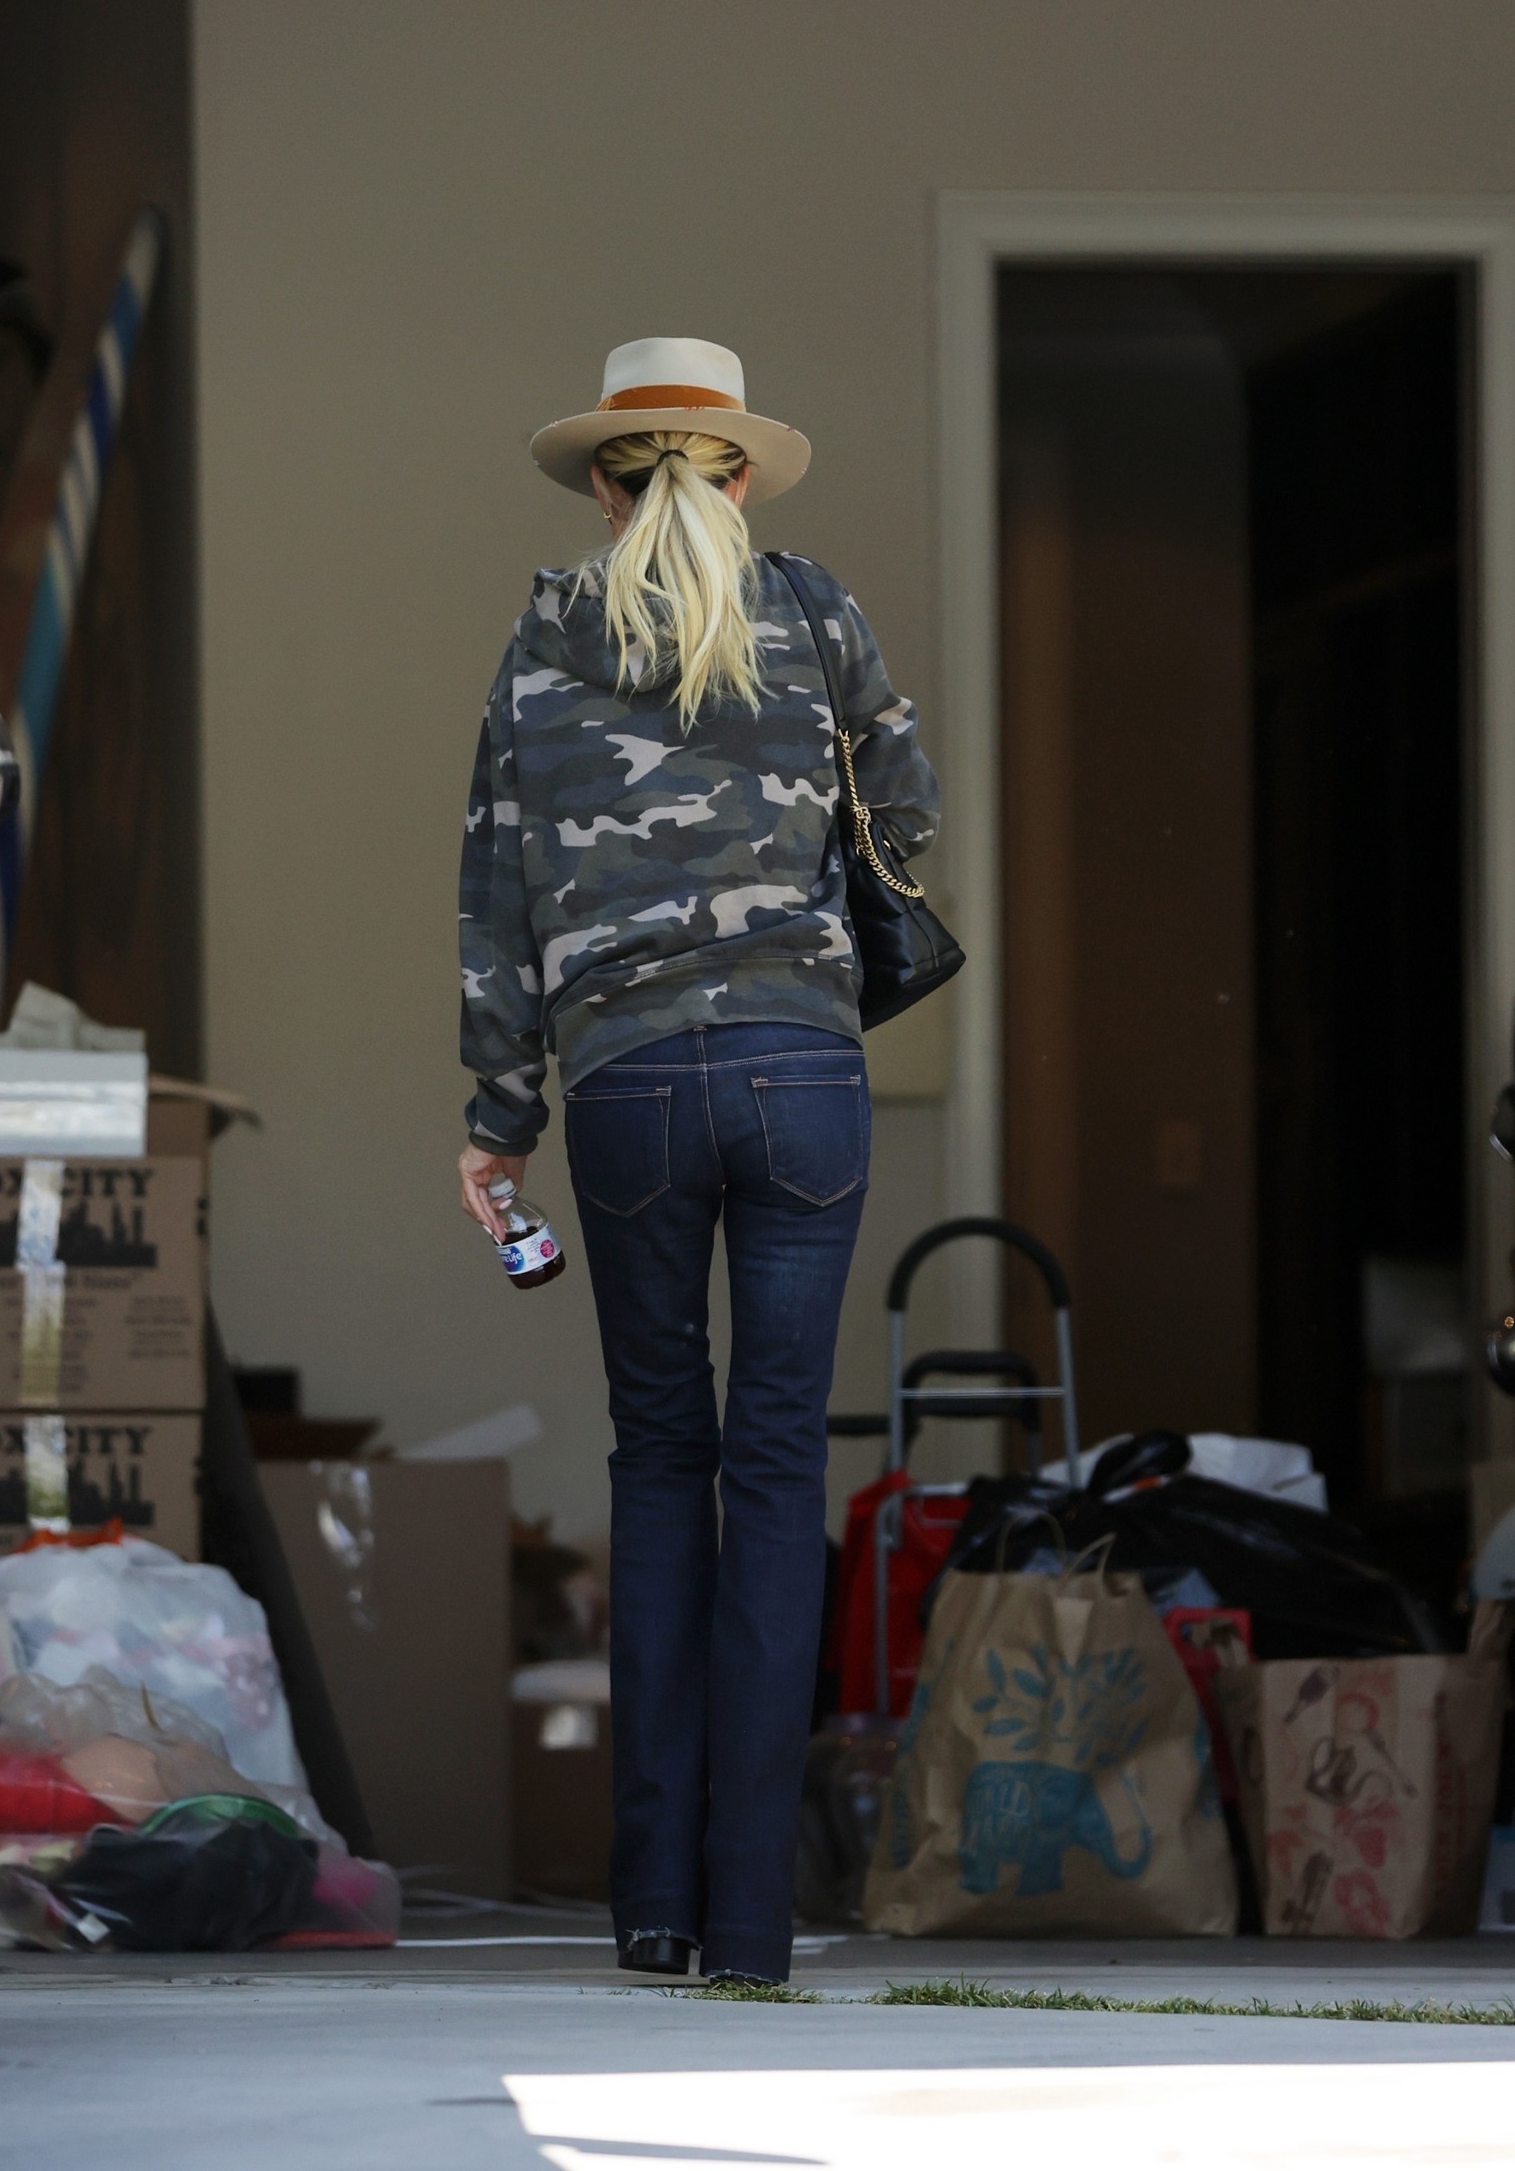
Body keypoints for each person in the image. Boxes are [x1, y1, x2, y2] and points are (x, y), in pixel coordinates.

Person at [457, 338, 939, 1985]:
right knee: (776, 1468)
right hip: (804, 1075)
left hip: (626, 1088)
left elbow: (496, 894)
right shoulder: (813, 610)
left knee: (660, 1462)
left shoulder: (543, 636)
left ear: (604, 487)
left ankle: (652, 1906)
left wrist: (496, 1119)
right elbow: (908, 813)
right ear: (738, 478)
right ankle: (751, 1920)